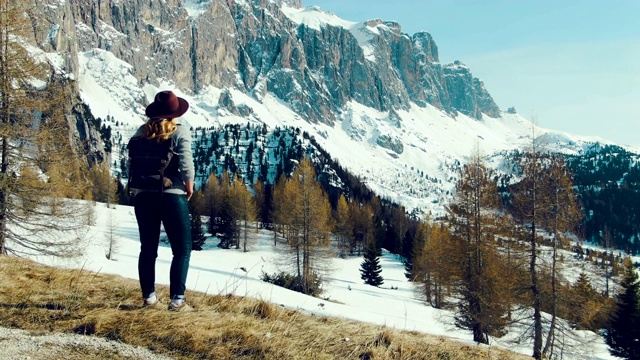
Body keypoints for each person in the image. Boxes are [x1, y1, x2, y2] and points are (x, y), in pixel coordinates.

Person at [128, 90, 195, 311]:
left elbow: (133, 164)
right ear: (175, 113)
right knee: (182, 249)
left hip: (143, 196)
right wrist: (189, 185)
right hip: (171, 195)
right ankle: (177, 301)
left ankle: (149, 299)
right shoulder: (180, 131)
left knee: (148, 248)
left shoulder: (140, 132)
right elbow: (186, 164)